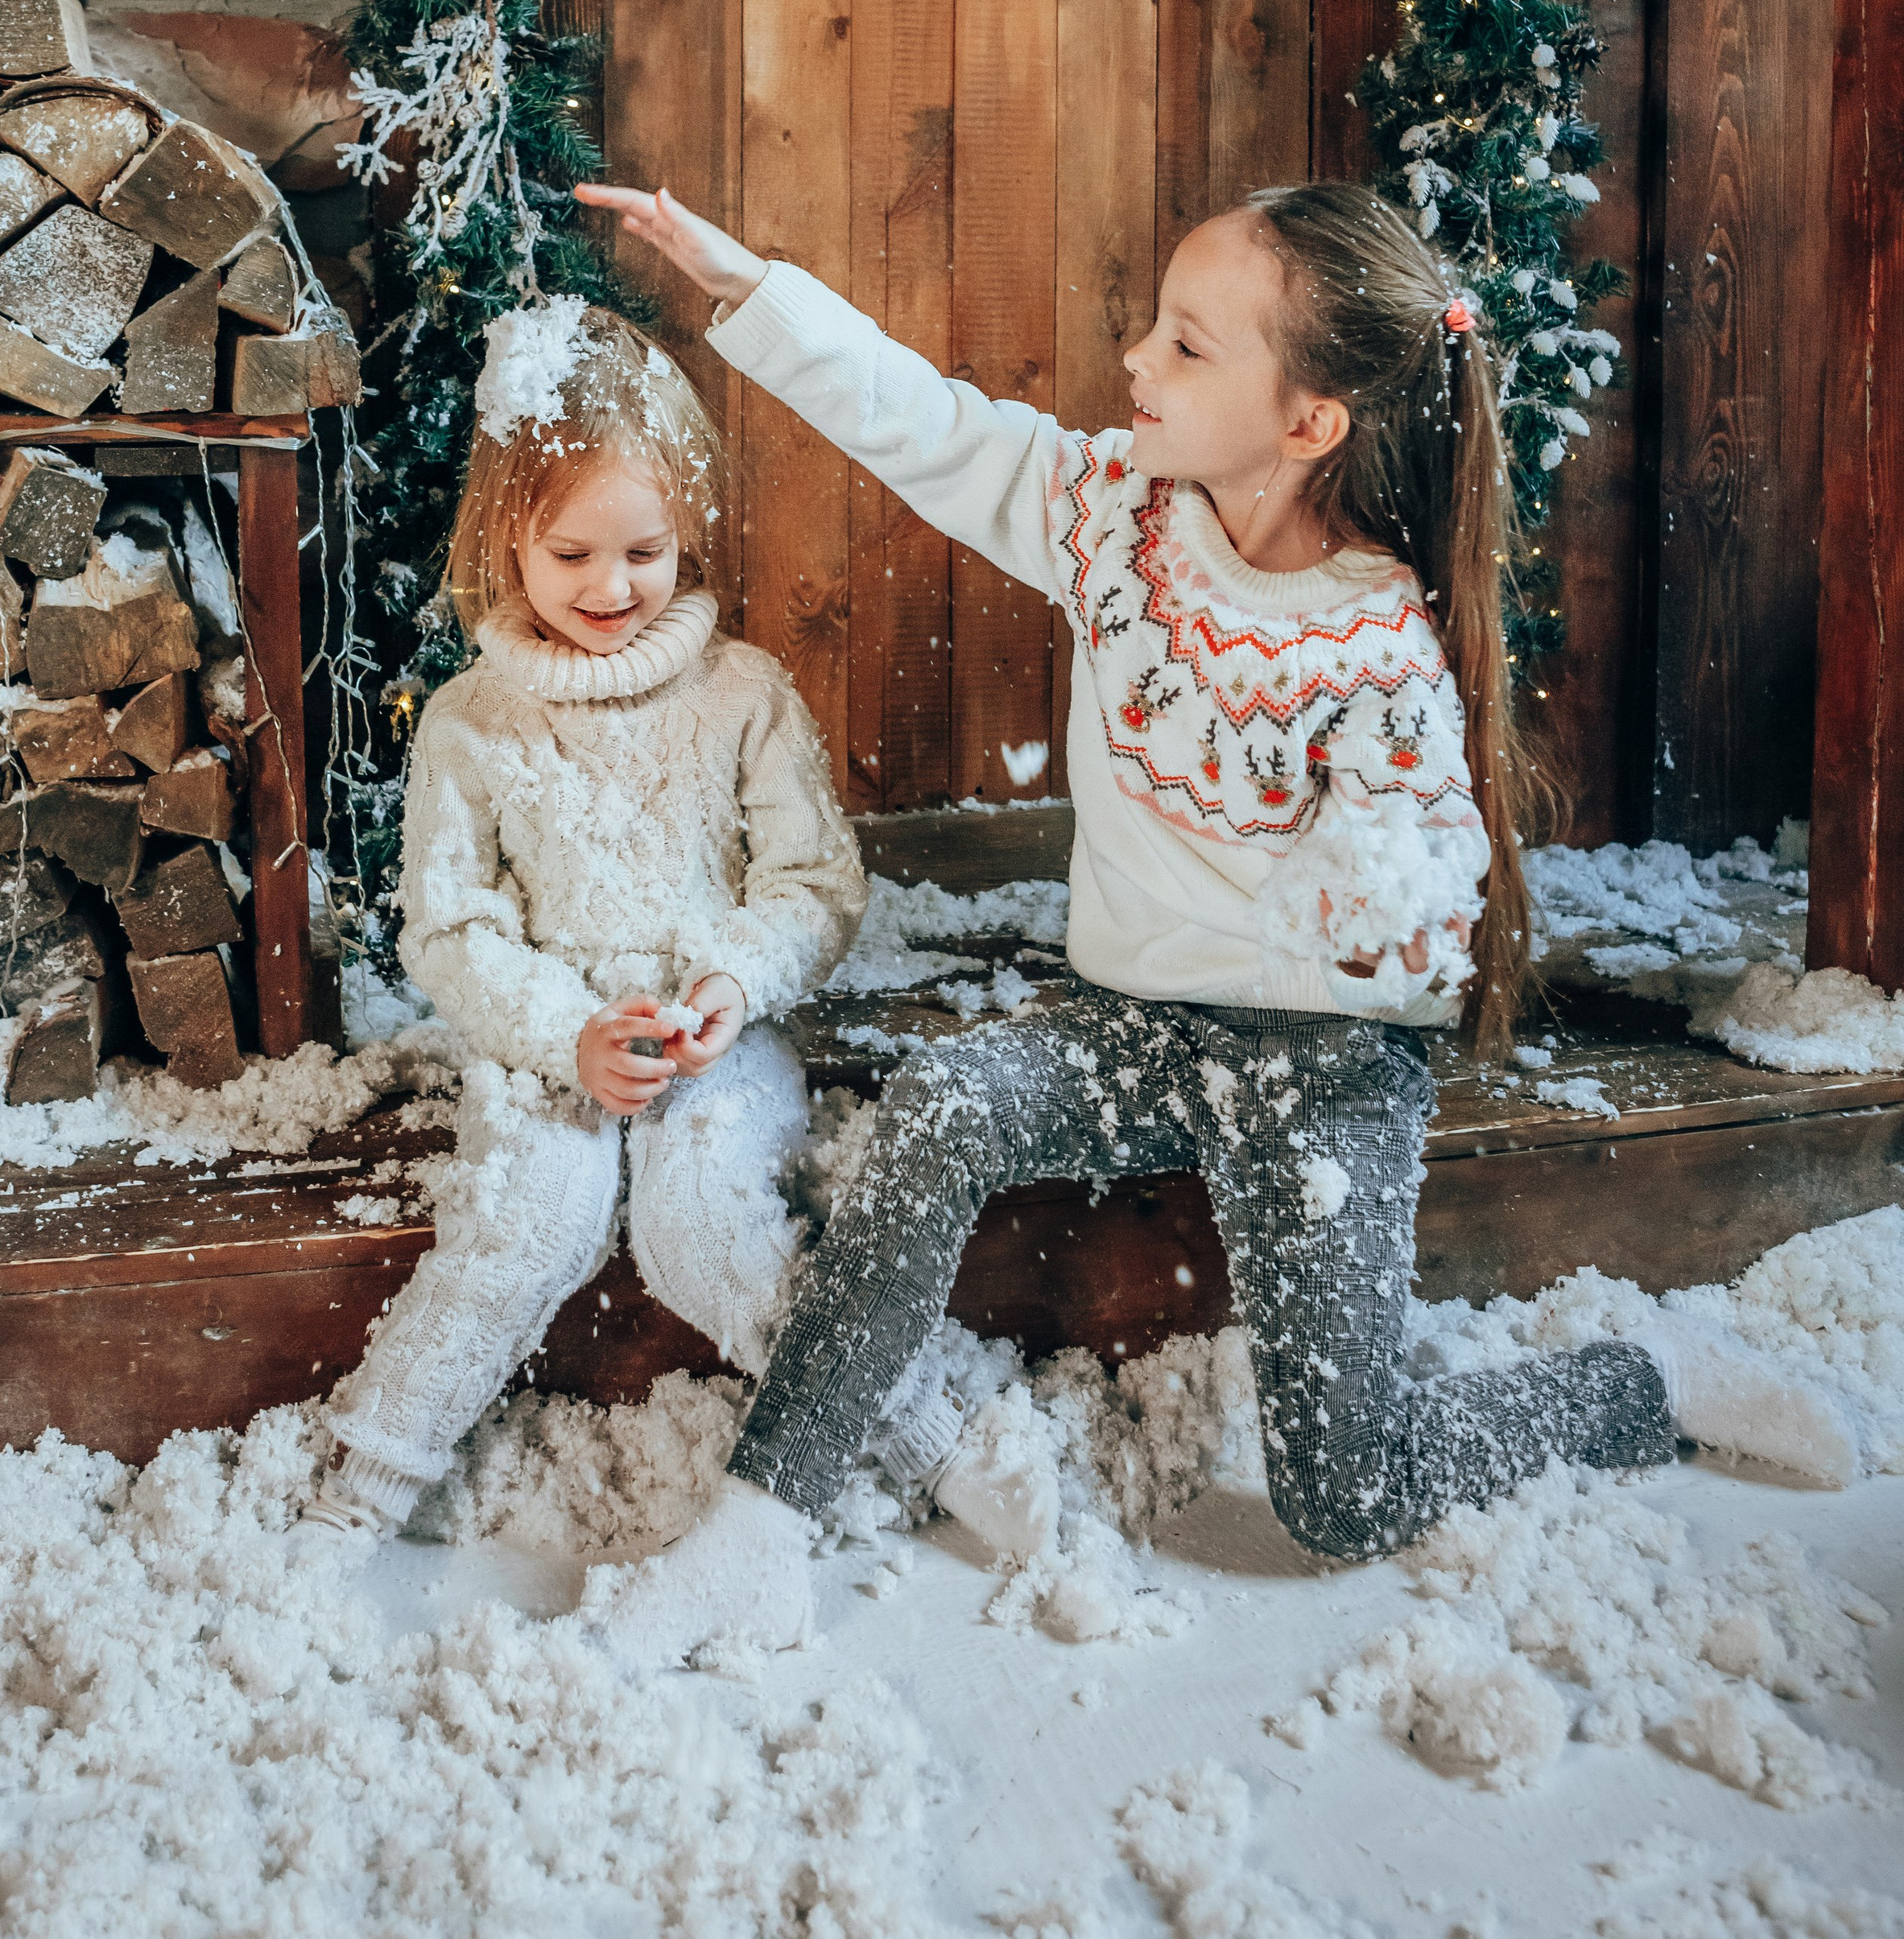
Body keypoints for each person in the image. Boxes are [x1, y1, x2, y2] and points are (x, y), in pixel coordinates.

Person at [569, 179, 1855, 1660]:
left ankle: (1647, 1384)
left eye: (1188, 346)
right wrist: (755, 290)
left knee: (1349, 1490)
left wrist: (1373, 906)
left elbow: (1425, 905)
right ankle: (762, 1529)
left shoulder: (1384, 647)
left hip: (1328, 1067)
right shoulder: (1117, 520)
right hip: (1138, 1028)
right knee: (940, 1106)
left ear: (1307, 421)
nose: (1136, 362)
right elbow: (922, 421)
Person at [304, 295, 871, 1536]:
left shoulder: (743, 695)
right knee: (524, 1220)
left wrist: (732, 979)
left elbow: (814, 886)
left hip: (715, 1038)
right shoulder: (472, 721)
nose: (612, 587)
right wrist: (566, 1034)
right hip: (546, 1040)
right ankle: (365, 1485)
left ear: (687, 532)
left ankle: (920, 1427)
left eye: (645, 552)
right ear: (506, 543)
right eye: (572, 557)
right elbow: (450, 928)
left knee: (707, 1229)